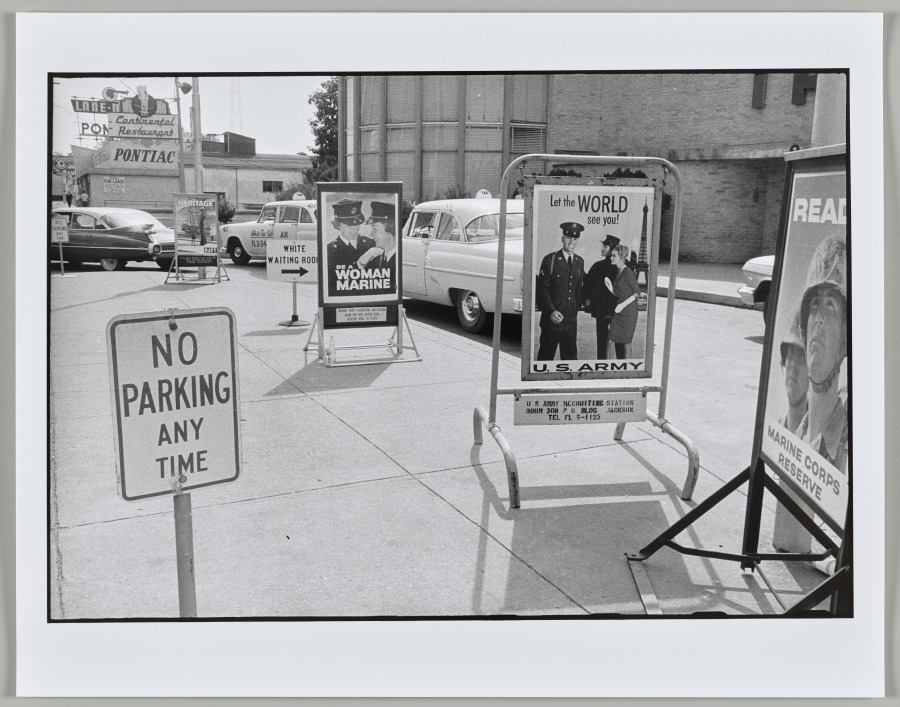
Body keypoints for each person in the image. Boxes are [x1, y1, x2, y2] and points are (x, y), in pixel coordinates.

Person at [795, 234, 848, 473]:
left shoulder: (848, 452)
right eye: (815, 304)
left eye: (830, 306)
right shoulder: (795, 435)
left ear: (845, 336)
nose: (819, 320)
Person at [536, 222, 585, 361]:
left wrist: (574, 311)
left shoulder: (579, 262)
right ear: (562, 238)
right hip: (551, 321)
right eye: (569, 238)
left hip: (570, 323)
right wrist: (551, 311)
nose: (572, 242)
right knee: (545, 358)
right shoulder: (550, 260)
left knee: (570, 360)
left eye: (575, 239)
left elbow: (578, 291)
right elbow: (543, 290)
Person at [326, 198, 381, 297]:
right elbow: (332, 285)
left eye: (357, 226)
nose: (354, 231)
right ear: (338, 225)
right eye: (349, 227)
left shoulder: (371, 244)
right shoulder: (330, 250)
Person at [583, 235, 620, 359]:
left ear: (613, 248)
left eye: (605, 246)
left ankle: (602, 365)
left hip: (603, 312)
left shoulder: (598, 266)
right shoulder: (622, 266)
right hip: (616, 311)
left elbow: (588, 284)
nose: (602, 248)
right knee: (618, 343)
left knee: (603, 342)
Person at [607, 244, 640, 359]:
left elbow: (636, 292)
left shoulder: (628, 272)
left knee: (626, 343)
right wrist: (611, 288)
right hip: (618, 311)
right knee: (610, 341)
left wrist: (622, 305)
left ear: (621, 257)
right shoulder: (618, 272)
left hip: (629, 312)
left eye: (614, 256)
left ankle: (627, 369)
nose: (611, 258)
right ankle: (608, 368)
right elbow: (620, 293)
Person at [365, 200, 397, 295]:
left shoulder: (399, 261)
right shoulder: (375, 259)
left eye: (375, 229)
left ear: (390, 228)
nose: (371, 234)